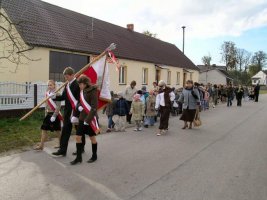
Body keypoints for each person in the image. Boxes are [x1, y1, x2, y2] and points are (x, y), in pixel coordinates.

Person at [52, 67, 80, 157]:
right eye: (65, 77)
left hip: (76, 112)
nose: (65, 78)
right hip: (68, 112)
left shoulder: (77, 84)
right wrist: (54, 97)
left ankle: (80, 148)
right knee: (65, 131)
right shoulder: (67, 85)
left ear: (72, 75)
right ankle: (62, 150)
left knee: (78, 131)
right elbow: (63, 97)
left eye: (67, 76)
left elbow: (80, 99)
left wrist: (77, 112)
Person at [70, 75, 99, 165]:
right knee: (78, 137)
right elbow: (79, 102)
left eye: (81, 84)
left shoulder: (93, 91)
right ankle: (79, 158)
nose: (79, 86)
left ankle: (94, 155)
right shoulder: (82, 91)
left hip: (90, 119)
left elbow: (94, 107)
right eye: (79, 84)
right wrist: (78, 107)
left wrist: (88, 120)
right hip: (82, 118)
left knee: (92, 138)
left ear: (85, 83)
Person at [34, 80, 62, 151]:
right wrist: (45, 114)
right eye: (48, 85)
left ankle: (61, 144)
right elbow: (46, 105)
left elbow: (58, 106)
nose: (49, 86)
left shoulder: (57, 94)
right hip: (48, 114)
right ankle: (41, 145)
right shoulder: (47, 94)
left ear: (54, 86)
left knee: (57, 131)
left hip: (54, 114)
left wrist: (54, 116)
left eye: (51, 85)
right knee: (44, 129)